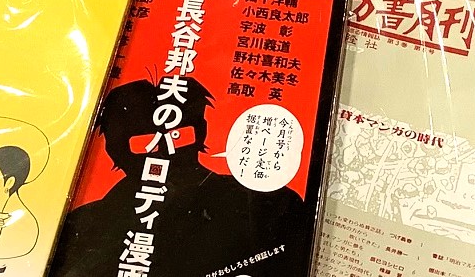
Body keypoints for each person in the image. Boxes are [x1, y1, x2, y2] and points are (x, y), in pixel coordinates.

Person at [52, 79, 308, 277]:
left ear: (201, 131)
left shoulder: (268, 203)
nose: (165, 153)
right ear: (114, 148)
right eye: (146, 143)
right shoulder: (81, 227)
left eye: (178, 136)